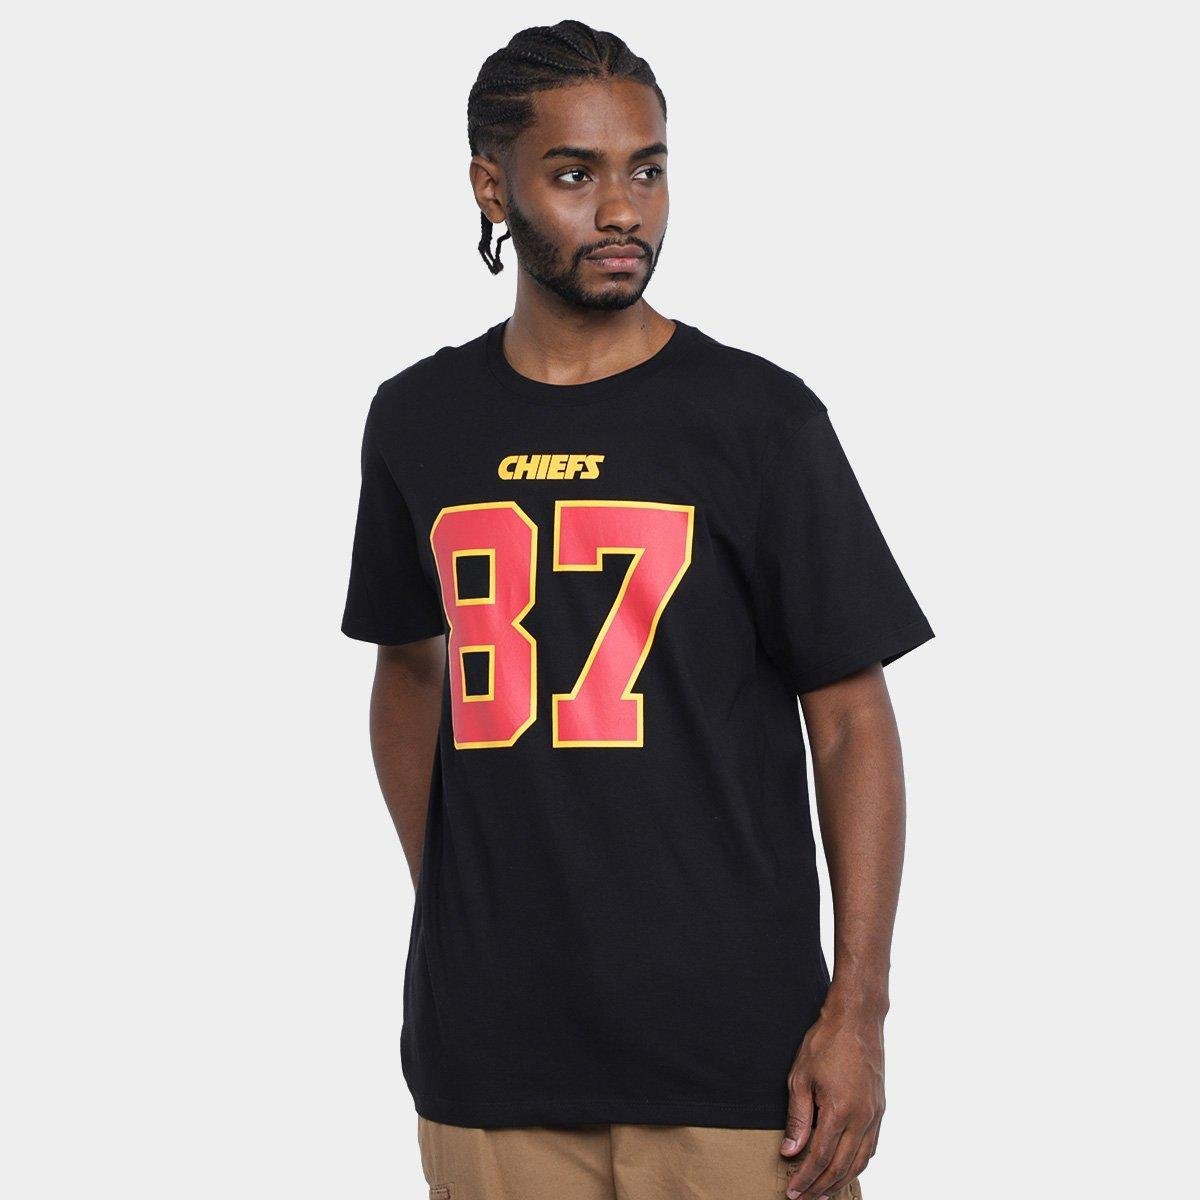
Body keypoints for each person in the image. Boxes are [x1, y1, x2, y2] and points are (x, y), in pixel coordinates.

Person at [340, 19, 933, 1200]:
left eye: (647, 169)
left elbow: (851, 720)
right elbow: (409, 673)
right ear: (492, 188)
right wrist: (463, 902)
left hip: (741, 1068)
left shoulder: (759, 421)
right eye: (576, 175)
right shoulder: (418, 419)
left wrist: (858, 1011)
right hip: (493, 1063)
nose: (623, 210)